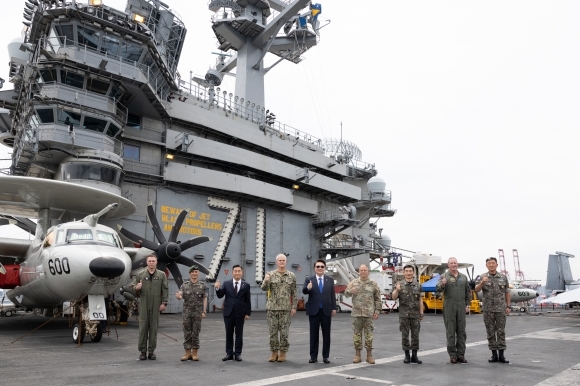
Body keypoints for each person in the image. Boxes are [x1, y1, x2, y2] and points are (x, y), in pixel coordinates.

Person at [261, 254, 297, 362]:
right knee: (272, 332)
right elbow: (264, 288)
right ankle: (274, 352)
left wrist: (294, 307)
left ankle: (283, 353)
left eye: (283, 260)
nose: (282, 262)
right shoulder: (270, 274)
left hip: (285, 309)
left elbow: (294, 292)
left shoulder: (291, 275)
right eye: (280, 260)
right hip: (272, 308)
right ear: (276, 262)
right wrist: (266, 280)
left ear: (286, 262)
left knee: (284, 332)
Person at [132, 254, 168, 360]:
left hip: (156, 304)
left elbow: (165, 289)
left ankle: (151, 351)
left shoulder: (162, 275)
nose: (151, 263)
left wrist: (164, 303)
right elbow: (133, 288)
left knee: (153, 328)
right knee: (143, 328)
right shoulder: (140, 274)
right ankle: (143, 351)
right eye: (150, 261)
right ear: (146, 262)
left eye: (153, 261)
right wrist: (136, 288)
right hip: (144, 303)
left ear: (156, 262)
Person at [474, 257, 511, 364]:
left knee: (501, 331)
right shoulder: (482, 276)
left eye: (493, 263)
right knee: (490, 332)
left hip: (500, 308)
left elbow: (507, 292)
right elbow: (476, 290)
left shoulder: (503, 277)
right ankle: (494, 354)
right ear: (486, 265)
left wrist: (508, 306)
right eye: (489, 263)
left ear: (496, 265)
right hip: (488, 309)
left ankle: (502, 355)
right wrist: (482, 282)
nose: (491, 265)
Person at [436, 257, 471, 364]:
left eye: (455, 263)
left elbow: (467, 292)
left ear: (457, 264)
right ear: (448, 265)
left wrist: (467, 304)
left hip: (461, 305)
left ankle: (461, 355)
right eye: (451, 263)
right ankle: (452, 355)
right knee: (450, 331)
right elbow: (437, 289)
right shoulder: (443, 276)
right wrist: (443, 284)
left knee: (461, 331)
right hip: (449, 305)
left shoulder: (463, 277)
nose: (453, 265)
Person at [344, 264, 381, 364]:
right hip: (356, 314)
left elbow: (378, 299)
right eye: (361, 270)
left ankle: (369, 356)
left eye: (365, 270)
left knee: (369, 336)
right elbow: (346, 293)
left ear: (368, 271)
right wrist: (350, 291)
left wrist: (377, 311)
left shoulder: (373, 284)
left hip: (368, 314)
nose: (363, 272)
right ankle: (357, 355)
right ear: (359, 272)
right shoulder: (353, 283)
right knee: (357, 335)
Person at [302, 259, 336, 364]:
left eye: (322, 266)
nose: (320, 268)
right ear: (314, 268)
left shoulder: (330, 280)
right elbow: (304, 291)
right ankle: (313, 356)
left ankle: (325, 356)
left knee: (326, 335)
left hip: (326, 310)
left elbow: (332, 295)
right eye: (318, 266)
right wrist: (308, 288)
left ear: (325, 268)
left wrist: (334, 308)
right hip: (314, 311)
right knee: (313, 335)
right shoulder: (309, 279)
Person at [215, 264, 251, 361]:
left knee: (239, 334)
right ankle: (229, 353)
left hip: (240, 313)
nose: (237, 273)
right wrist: (217, 288)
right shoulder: (226, 284)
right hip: (228, 312)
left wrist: (247, 313)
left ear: (241, 272)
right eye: (235, 271)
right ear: (232, 272)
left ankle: (238, 353)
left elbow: (248, 300)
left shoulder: (246, 285)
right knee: (229, 333)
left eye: (239, 271)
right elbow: (220, 295)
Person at [391, 265, 424, 364]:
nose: (409, 273)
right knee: (405, 335)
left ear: (413, 272)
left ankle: (414, 355)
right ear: (404, 272)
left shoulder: (418, 285)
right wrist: (397, 289)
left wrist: (421, 313)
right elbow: (393, 297)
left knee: (415, 336)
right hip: (404, 315)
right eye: (407, 271)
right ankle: (406, 356)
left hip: (415, 315)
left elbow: (420, 300)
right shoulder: (399, 284)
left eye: (410, 271)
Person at [175, 265, 207, 361]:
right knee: (187, 333)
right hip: (187, 313)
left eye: (196, 272)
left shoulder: (202, 285)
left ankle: (195, 353)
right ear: (190, 273)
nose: (194, 274)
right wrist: (178, 296)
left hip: (197, 313)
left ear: (198, 273)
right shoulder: (185, 285)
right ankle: (187, 353)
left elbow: (204, 298)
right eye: (193, 272)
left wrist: (204, 311)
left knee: (196, 332)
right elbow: (180, 294)